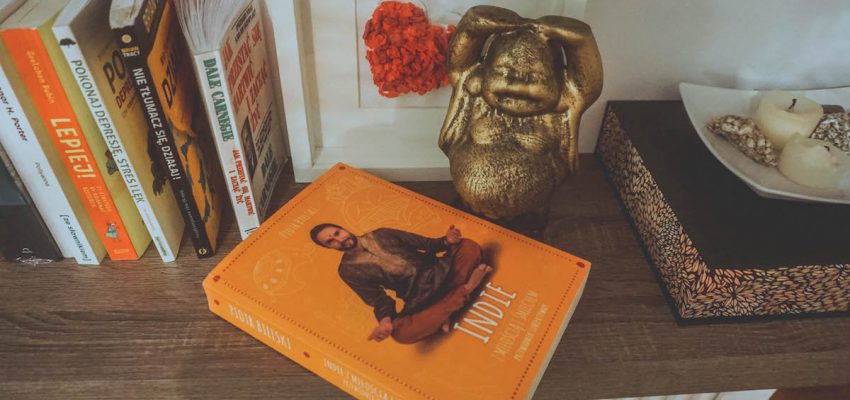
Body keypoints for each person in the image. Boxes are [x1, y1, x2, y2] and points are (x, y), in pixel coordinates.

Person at [310, 223, 492, 344]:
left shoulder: (382, 234)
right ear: (328, 248)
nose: (339, 239)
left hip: (440, 271)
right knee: (401, 334)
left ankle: (444, 311)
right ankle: (467, 288)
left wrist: (447, 240)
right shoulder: (348, 271)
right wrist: (385, 323)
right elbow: (379, 301)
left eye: (337, 233)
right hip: (419, 296)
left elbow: (427, 244)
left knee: (468, 246)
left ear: (342, 228)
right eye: (331, 241)